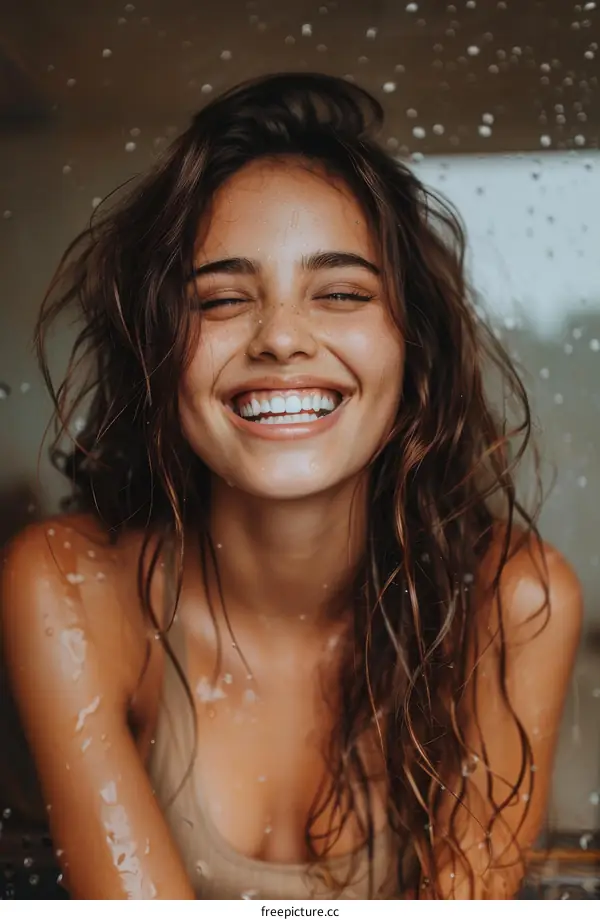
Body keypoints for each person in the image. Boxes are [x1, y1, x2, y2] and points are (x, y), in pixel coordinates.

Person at [0, 72, 582, 900]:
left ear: (412, 347)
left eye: (341, 293)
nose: (279, 337)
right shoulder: (73, 591)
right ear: (160, 353)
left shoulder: (513, 602)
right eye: (223, 298)